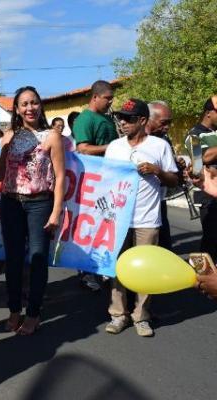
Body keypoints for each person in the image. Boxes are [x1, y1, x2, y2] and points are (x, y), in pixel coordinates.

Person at [0, 86, 65, 335]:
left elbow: (61, 177)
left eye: (34, 102)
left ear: (40, 105)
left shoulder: (52, 136)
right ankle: (14, 310)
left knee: (37, 259)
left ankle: (33, 313)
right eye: (24, 104)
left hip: (40, 204)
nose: (30, 108)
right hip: (11, 203)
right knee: (11, 260)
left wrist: (55, 212)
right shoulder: (9, 136)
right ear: (17, 109)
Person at [104, 99, 178, 337]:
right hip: (118, 218)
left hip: (147, 219)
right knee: (117, 268)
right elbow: (103, 180)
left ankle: (141, 316)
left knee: (146, 271)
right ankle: (118, 314)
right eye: (121, 118)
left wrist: (157, 171)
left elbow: (174, 181)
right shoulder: (114, 147)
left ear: (143, 121)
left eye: (129, 119)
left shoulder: (159, 146)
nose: (123, 123)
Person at [72, 80, 119, 291]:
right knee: (91, 227)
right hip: (94, 183)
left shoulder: (109, 119)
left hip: (111, 182)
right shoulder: (85, 119)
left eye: (111, 98)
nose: (110, 102)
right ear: (95, 97)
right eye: (107, 98)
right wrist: (112, 147)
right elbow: (83, 149)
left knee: (108, 227)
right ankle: (86, 273)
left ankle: (103, 267)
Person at [146, 101, 183, 251]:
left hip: (160, 200)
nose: (167, 127)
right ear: (147, 119)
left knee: (164, 245)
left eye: (169, 123)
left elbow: (172, 176)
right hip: (141, 208)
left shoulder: (164, 140)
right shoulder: (132, 140)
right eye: (163, 123)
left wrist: (176, 166)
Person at [187, 96, 217, 262]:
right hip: (208, 197)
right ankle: (202, 280)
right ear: (208, 113)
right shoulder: (194, 134)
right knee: (211, 241)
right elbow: (199, 160)